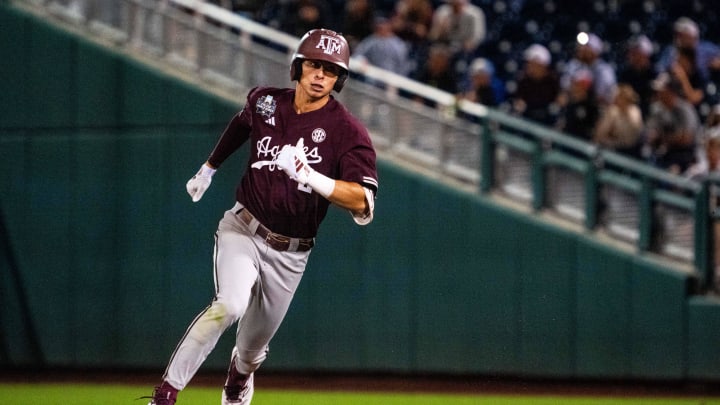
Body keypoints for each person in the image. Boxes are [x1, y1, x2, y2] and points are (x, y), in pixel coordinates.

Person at [144, 28, 379, 405]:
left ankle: (238, 378)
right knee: (229, 305)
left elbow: (363, 201)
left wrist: (310, 176)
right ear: (298, 67)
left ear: (339, 79)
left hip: (291, 253)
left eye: (330, 71)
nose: (320, 75)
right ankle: (166, 394)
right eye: (314, 65)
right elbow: (242, 123)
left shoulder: (348, 131)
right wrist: (209, 167)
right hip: (244, 227)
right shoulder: (267, 101)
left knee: (251, 352)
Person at [644, 72, 700, 174]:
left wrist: (664, 138)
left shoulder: (685, 110)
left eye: (662, 90)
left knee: (673, 172)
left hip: (685, 157)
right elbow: (651, 133)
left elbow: (687, 139)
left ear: (671, 92)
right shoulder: (657, 108)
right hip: (664, 153)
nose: (658, 93)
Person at [559, 32, 617, 107]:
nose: (582, 49)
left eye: (587, 47)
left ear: (595, 51)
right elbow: (564, 87)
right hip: (574, 105)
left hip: (597, 107)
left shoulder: (604, 70)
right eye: (581, 47)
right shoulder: (573, 65)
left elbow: (609, 94)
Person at [656, 17, 720, 83]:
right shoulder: (670, 50)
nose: (676, 37)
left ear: (691, 35)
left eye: (680, 34)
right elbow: (659, 69)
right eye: (676, 34)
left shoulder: (706, 48)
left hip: (703, 85)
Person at [511, 43, 561, 126]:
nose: (528, 66)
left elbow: (557, 105)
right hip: (526, 121)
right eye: (528, 63)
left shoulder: (553, 82)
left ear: (542, 65)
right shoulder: (524, 80)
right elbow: (518, 102)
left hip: (547, 124)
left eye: (532, 63)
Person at [593, 84, 644, 158]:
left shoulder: (635, 112)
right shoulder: (613, 111)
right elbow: (599, 135)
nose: (615, 99)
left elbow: (631, 139)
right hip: (612, 148)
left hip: (630, 151)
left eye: (618, 97)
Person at [617, 35, 657, 118]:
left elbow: (654, 99)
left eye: (636, 53)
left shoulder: (654, 74)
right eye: (632, 52)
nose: (632, 56)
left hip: (650, 114)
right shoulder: (625, 74)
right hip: (628, 113)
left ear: (646, 55)